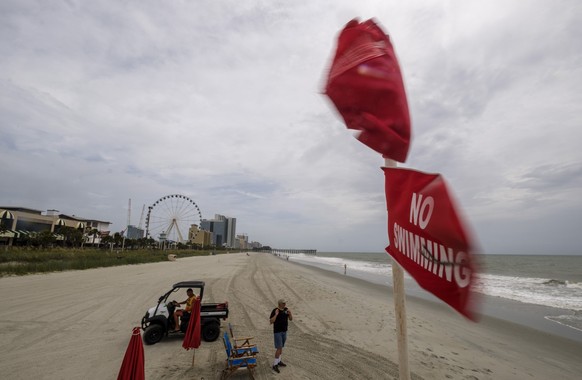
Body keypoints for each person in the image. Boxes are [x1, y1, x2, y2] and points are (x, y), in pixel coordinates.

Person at [269, 298, 292, 373]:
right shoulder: (275, 310)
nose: (285, 304)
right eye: (283, 303)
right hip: (278, 332)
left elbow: (291, 319)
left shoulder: (286, 310)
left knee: (281, 347)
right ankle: (275, 364)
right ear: (279, 304)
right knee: (279, 348)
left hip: (284, 331)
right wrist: (276, 314)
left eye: (285, 303)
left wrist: (290, 314)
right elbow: (271, 321)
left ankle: (279, 361)